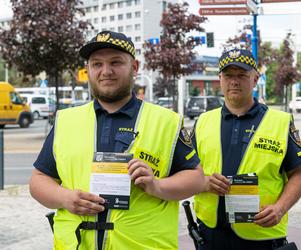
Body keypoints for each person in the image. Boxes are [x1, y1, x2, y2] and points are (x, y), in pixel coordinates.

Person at [29, 30, 206, 250]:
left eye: (116, 62)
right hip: (76, 244)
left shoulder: (166, 121)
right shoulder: (66, 120)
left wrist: (157, 186)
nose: (106, 71)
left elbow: (196, 178)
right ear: (88, 70)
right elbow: (38, 180)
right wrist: (64, 198)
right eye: (97, 64)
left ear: (134, 67)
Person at [192, 48, 301, 250]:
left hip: (262, 238)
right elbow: (185, 171)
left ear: (255, 78)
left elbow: (298, 173)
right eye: (228, 75)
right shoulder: (203, 122)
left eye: (242, 75)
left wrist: (280, 208)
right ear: (220, 79)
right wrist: (204, 182)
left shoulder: (281, 122)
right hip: (210, 236)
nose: (234, 81)